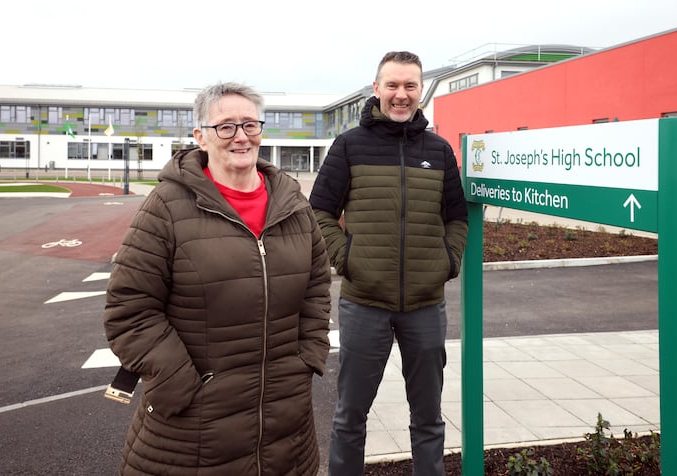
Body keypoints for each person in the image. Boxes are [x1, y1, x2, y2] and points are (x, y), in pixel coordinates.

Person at [103, 82, 331, 475]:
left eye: (250, 125)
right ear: (200, 138)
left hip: (285, 427)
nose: (241, 136)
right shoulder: (166, 207)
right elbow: (130, 310)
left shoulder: (292, 205)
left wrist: (307, 358)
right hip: (192, 430)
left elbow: (316, 287)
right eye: (226, 126)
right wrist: (182, 385)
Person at [310, 51, 469, 475]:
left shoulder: (437, 150)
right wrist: (347, 259)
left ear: (421, 90)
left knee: (430, 419)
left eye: (410, 86)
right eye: (393, 85)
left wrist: (448, 262)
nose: (401, 95)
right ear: (377, 88)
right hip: (365, 304)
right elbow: (320, 211)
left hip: (425, 305)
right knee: (349, 417)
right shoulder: (349, 145)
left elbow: (456, 216)